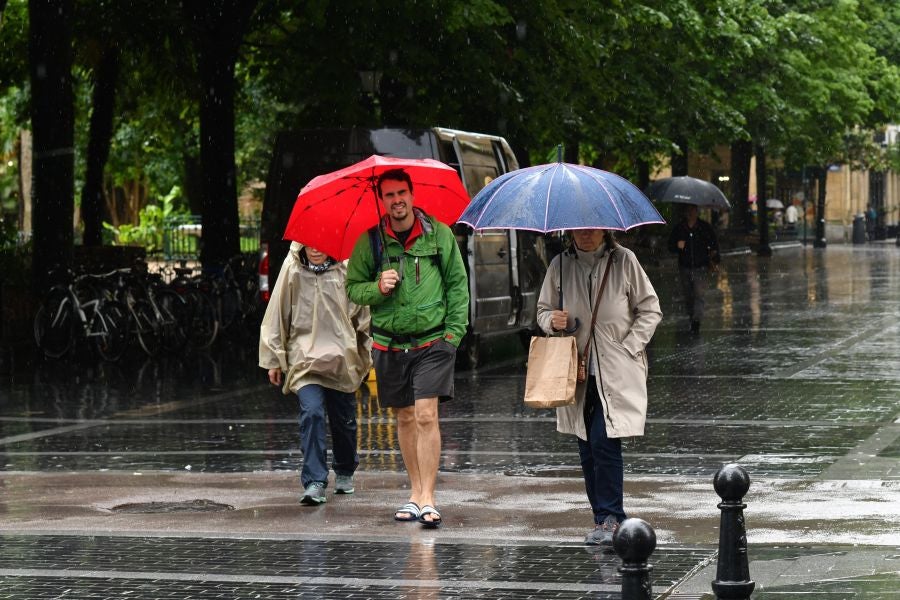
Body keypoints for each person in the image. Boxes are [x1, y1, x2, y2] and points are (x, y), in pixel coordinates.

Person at [346, 168, 469, 528]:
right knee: (403, 417)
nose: (397, 201)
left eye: (402, 193)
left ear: (412, 196)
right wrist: (377, 288)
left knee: (427, 415)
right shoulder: (370, 243)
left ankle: (429, 497)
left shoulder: (439, 235)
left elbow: (458, 286)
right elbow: (353, 288)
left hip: (433, 342)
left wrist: (453, 336)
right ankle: (414, 493)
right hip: (389, 344)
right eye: (389, 195)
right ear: (382, 200)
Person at [537, 229, 662, 546]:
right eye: (580, 228)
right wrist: (553, 320)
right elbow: (542, 310)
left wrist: (630, 346)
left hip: (615, 370)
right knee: (586, 447)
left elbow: (650, 309)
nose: (587, 234)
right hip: (575, 372)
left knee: (604, 441)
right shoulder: (561, 265)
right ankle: (602, 517)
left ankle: (611, 516)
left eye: (593, 227)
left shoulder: (624, 261)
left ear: (605, 229)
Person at [259, 242, 372, 506]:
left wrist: (366, 356)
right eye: (308, 243)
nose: (315, 248)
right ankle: (315, 480)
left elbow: (362, 316)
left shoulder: (346, 269)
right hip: (304, 359)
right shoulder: (293, 269)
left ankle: (345, 468)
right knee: (311, 413)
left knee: (343, 419)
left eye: (321, 243)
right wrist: (274, 359)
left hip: (341, 358)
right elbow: (277, 313)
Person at [667, 204, 720, 333]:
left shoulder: (704, 228)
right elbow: (671, 246)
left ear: (697, 212)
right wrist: (678, 246)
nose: (690, 213)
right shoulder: (680, 228)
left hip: (700, 267)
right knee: (688, 296)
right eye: (688, 211)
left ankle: (696, 321)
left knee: (699, 294)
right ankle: (692, 318)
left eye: (693, 210)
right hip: (684, 267)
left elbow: (714, 245)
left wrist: (714, 257)